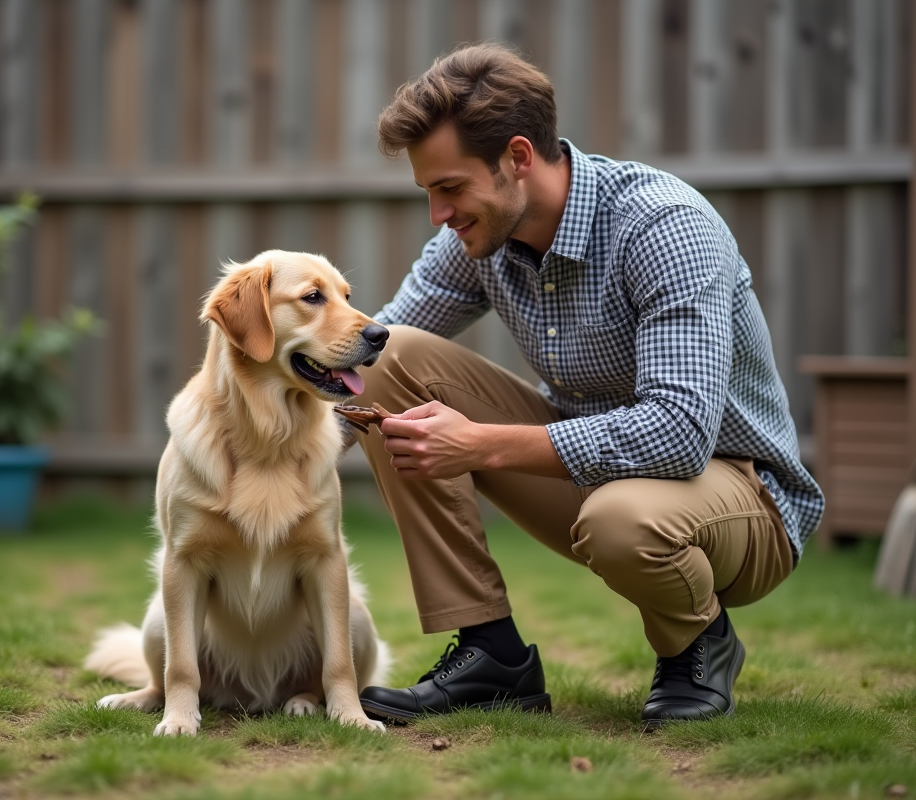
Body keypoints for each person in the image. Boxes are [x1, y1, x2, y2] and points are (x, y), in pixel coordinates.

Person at [349, 42, 824, 729]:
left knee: (621, 520)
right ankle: (492, 655)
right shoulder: (479, 239)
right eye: (428, 191)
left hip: (742, 495)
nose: (438, 214)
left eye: (449, 188)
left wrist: (480, 445)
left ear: (517, 158)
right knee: (386, 362)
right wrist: (265, 463)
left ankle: (697, 646)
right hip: (598, 477)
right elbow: (367, 358)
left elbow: (680, 434)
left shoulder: (663, 227)